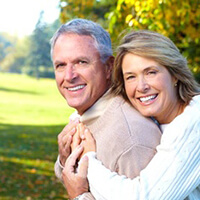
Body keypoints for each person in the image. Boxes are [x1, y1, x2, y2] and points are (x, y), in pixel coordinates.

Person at [63, 30, 200, 200]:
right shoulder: (157, 121)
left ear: (175, 75)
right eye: (131, 77)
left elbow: (146, 197)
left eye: (151, 72)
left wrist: (89, 161)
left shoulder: (194, 121)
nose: (141, 86)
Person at [50, 20, 161, 199]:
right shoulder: (88, 116)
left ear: (109, 67)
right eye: (61, 65)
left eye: (81, 62)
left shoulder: (132, 139)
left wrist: (79, 196)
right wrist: (64, 161)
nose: (69, 76)